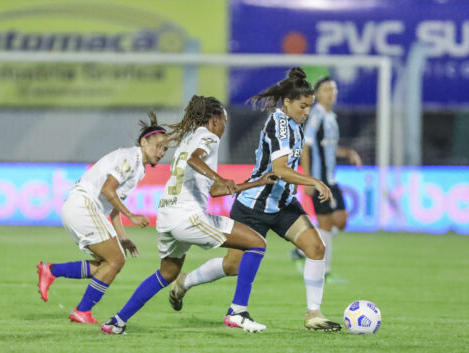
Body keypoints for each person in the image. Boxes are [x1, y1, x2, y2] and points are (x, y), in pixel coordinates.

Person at [168, 68, 342, 331]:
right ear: (287, 102)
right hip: (254, 205)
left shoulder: (296, 124)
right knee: (232, 265)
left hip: (282, 203)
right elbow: (280, 169)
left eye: (310, 107)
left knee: (316, 248)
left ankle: (313, 315)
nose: (307, 112)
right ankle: (184, 282)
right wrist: (314, 181)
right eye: (303, 106)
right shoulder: (278, 123)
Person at [100, 95, 277, 335]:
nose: (225, 126)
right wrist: (219, 177)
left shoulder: (188, 140)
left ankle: (117, 321)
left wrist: (255, 183)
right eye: (224, 120)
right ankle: (237, 312)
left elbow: (213, 190)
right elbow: (197, 162)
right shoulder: (208, 136)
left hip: (167, 215)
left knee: (167, 273)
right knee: (257, 243)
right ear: (215, 120)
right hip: (187, 216)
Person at [36, 112, 169, 324]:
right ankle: (82, 310)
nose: (161, 152)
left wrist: (122, 236)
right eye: (158, 145)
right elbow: (108, 190)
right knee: (115, 260)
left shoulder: (138, 168)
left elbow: (112, 204)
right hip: (84, 205)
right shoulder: (130, 158)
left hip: (81, 207)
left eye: (165, 149)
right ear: (144, 141)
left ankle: (52, 270)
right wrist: (131, 215)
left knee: (107, 264)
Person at [289, 76, 362, 282]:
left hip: (331, 178)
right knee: (327, 224)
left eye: (334, 89)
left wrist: (347, 153)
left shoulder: (331, 117)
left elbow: (328, 147)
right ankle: (324, 271)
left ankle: (302, 252)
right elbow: (306, 146)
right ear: (317, 94)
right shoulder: (316, 116)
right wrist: (309, 179)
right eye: (328, 89)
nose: (332, 93)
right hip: (319, 178)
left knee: (341, 220)